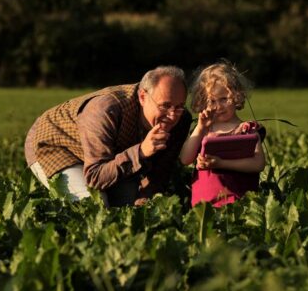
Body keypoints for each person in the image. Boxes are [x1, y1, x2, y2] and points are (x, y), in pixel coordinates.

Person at [24, 66, 191, 207]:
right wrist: (141, 152)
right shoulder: (105, 109)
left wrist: (142, 205)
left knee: (128, 204)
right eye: (165, 106)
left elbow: (160, 176)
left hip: (107, 157)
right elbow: (95, 177)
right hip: (56, 144)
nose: (172, 116)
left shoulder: (181, 119)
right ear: (142, 97)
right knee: (94, 204)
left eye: (179, 106)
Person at [178, 62, 266, 207]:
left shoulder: (246, 130)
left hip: (239, 202)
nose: (218, 106)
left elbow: (258, 163)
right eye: (212, 101)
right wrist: (200, 127)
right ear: (203, 102)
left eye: (224, 99)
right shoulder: (204, 129)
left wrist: (221, 163)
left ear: (237, 96)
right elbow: (185, 159)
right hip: (205, 205)